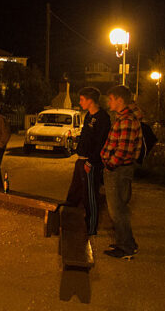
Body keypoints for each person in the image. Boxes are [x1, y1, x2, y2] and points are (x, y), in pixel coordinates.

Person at [100, 85, 143, 259]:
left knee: (116, 211)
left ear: (119, 100)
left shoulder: (126, 121)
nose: (108, 101)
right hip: (119, 169)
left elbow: (124, 149)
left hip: (117, 170)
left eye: (111, 98)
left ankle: (125, 248)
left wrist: (110, 164)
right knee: (120, 209)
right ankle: (127, 243)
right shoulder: (123, 117)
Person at [64, 87, 111, 235]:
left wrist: (91, 161)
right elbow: (87, 136)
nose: (80, 102)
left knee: (90, 195)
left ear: (90, 100)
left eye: (82, 99)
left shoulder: (103, 118)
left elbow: (101, 142)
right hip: (81, 159)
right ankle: (70, 220)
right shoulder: (88, 116)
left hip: (91, 162)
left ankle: (91, 227)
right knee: (75, 191)